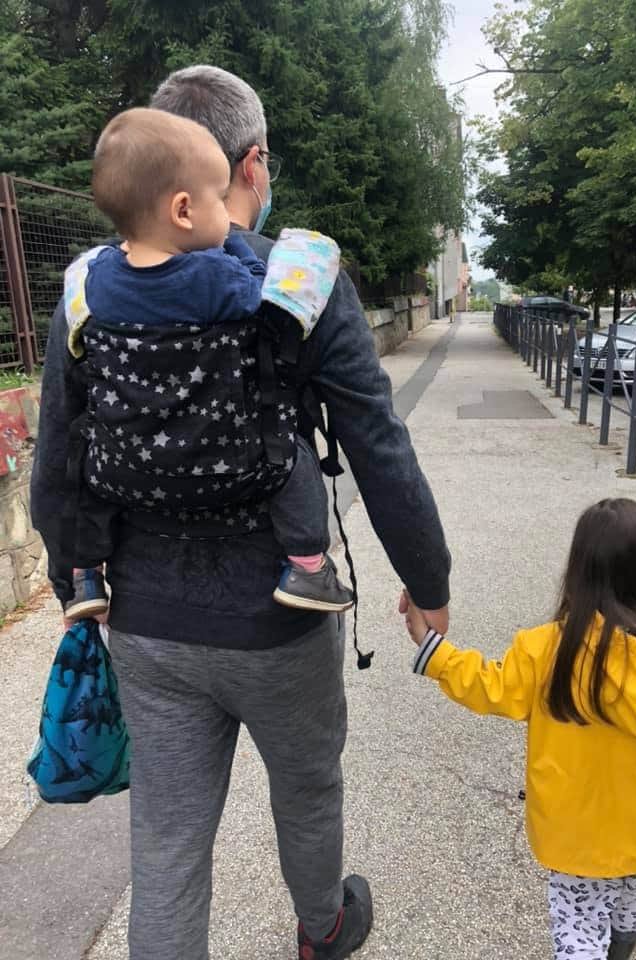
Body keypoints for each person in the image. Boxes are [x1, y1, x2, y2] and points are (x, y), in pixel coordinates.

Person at [31, 64, 451, 960]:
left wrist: (78, 583)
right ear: (250, 164)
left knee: (167, 839)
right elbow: (378, 447)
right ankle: (323, 929)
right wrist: (429, 583)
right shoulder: (298, 276)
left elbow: (58, 458)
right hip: (281, 620)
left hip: (147, 622)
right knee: (307, 789)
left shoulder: (88, 291)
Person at [61, 106, 352, 622]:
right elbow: (259, 289)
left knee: (89, 461)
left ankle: (85, 575)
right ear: (183, 211)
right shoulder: (217, 276)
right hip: (233, 466)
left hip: (129, 471)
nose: (227, 211)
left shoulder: (97, 280)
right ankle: (307, 566)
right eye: (219, 199)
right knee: (295, 458)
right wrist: (237, 244)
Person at [403, 498, 636, 960]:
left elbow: (490, 687)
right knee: (633, 904)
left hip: (576, 840)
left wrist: (435, 651)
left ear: (579, 572)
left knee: (579, 929)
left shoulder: (546, 649)